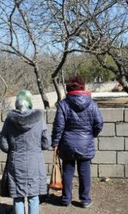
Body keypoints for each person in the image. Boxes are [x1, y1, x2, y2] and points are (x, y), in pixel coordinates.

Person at [51, 77, 104, 208]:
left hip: (67, 144)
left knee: (67, 171)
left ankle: (66, 199)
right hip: (86, 144)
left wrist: (55, 143)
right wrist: (92, 135)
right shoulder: (92, 104)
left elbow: (58, 126)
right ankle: (85, 200)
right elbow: (99, 123)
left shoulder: (63, 104)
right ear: (82, 88)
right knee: (84, 171)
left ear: (68, 89)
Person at [0, 90, 50, 214]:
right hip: (34, 162)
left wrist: (13, 151)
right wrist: (37, 149)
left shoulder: (9, 120)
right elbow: (47, 142)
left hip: (15, 162)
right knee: (33, 196)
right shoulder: (39, 119)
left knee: (18, 197)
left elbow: (3, 144)